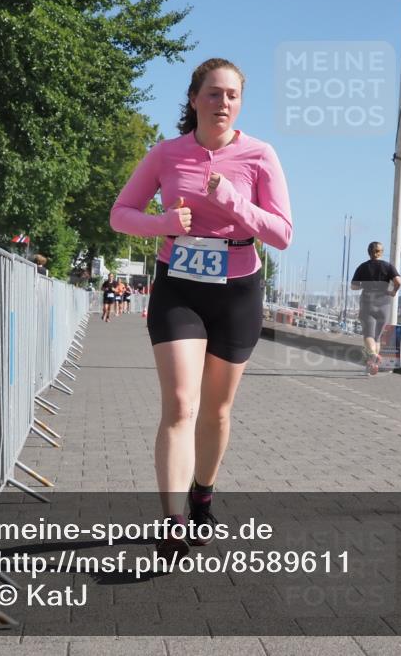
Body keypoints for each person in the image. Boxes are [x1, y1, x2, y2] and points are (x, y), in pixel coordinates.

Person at [109, 58, 292, 560]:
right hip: (180, 286)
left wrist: (235, 201)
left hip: (238, 288)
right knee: (181, 405)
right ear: (194, 99)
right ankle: (172, 520)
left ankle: (202, 493)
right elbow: (120, 214)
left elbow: (282, 233)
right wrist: (163, 221)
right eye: (213, 94)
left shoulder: (259, 155)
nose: (223, 103)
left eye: (232, 95)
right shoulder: (167, 154)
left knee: (216, 409)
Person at [350, 242, 401, 375]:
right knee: (377, 337)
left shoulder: (362, 267)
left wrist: (363, 285)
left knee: (368, 335)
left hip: (368, 303)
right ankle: (372, 365)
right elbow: (398, 281)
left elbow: (354, 286)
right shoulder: (388, 266)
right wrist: (393, 292)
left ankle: (372, 355)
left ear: (369, 252)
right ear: (381, 252)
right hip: (384, 304)